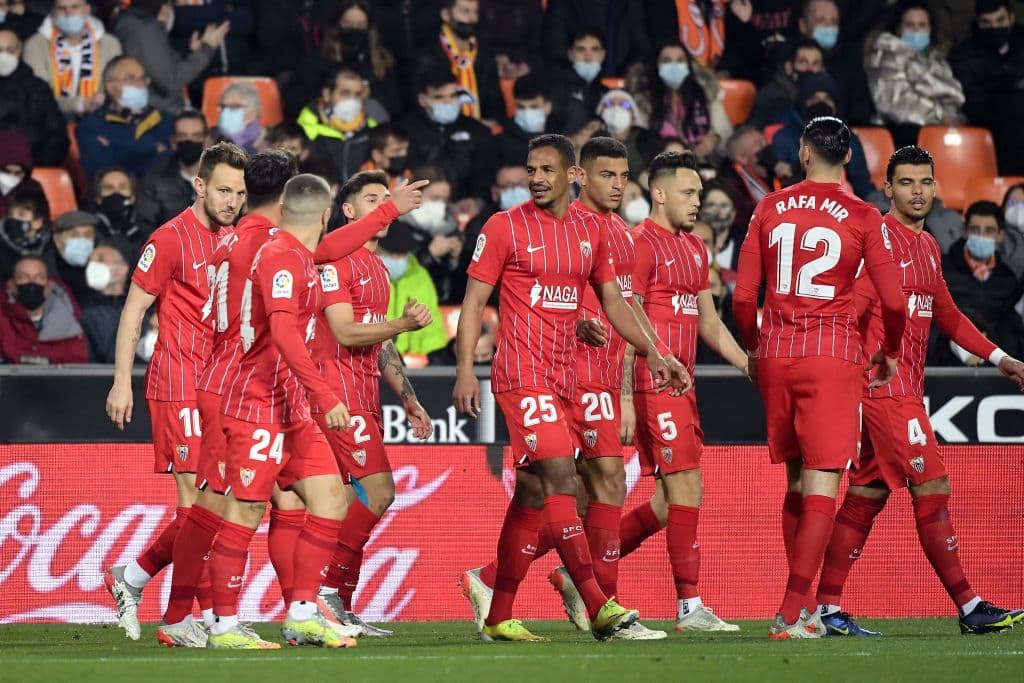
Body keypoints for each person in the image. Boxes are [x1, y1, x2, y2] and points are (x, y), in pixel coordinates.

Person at [452, 133, 686, 642]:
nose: (536, 178)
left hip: (565, 378)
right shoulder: (503, 226)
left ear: (569, 175)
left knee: (532, 494)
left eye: (546, 170)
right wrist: (465, 368)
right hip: (521, 374)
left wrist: (654, 352)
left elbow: (616, 303)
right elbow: (473, 303)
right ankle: (599, 606)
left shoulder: (591, 232)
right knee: (562, 479)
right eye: (531, 169)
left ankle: (498, 613)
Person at [813, 146, 1024, 637]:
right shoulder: (877, 241)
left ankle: (826, 608)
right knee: (932, 485)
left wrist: (1001, 359)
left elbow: (947, 314)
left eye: (925, 182)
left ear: (935, 188)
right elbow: (849, 309)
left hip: (903, 389)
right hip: (884, 391)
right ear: (888, 188)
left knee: (866, 495)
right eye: (906, 182)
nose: (917, 191)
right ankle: (969, 605)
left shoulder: (927, 246)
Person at [732, 116, 907, 638]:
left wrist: (754, 350)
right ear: (849, 156)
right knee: (822, 486)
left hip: (777, 355)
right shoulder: (864, 215)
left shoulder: (768, 207)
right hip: (831, 357)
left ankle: (805, 606)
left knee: (795, 481)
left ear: (804, 154)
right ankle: (792, 612)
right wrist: (890, 351)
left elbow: (743, 298)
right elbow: (894, 301)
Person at [204, 175, 359, 650]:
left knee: (331, 500)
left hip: (291, 405)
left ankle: (303, 614)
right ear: (326, 215)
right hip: (257, 402)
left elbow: (337, 246)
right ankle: (223, 625)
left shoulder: (301, 256)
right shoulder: (280, 257)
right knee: (247, 509)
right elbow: (285, 333)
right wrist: (325, 395)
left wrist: (390, 211)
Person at [595, 149, 746, 634]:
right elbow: (625, 321)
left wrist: (749, 366)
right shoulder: (639, 244)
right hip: (651, 384)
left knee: (665, 505)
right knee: (687, 487)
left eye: (699, 192)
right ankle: (689, 606)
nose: (697, 201)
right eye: (688, 192)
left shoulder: (696, 248)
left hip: (683, 387)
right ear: (658, 194)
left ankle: (581, 577)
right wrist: (623, 398)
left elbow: (710, 323)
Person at [101, 142, 248, 642]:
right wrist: (122, 381)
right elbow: (133, 310)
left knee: (213, 506)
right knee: (195, 504)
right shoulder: (169, 239)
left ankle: (134, 576)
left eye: (240, 193)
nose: (232, 202)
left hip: (220, 387)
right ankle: (194, 618)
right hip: (178, 381)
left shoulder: (236, 238)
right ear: (199, 186)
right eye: (224, 191)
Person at [314, 170, 435, 636]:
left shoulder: (378, 268)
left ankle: (340, 606)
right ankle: (325, 591)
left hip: (364, 394)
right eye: (373, 199)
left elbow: (379, 341)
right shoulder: (335, 260)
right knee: (380, 492)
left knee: (354, 505)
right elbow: (345, 332)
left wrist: (409, 398)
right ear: (348, 210)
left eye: (388, 198)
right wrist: (403, 324)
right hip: (336, 393)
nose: (385, 206)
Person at [865, 1, 965, 149]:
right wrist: (940, 116)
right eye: (910, 25)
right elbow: (894, 102)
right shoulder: (886, 53)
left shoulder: (937, 60)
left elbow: (955, 96)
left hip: (942, 133)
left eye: (922, 25)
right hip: (903, 135)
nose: (916, 30)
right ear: (899, 29)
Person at [771, 72, 874, 200]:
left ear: (835, 106)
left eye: (827, 99)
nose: (821, 104)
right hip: (801, 203)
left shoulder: (848, 138)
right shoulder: (785, 137)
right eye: (814, 99)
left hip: (845, 205)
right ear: (803, 103)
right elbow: (781, 178)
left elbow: (863, 186)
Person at [114, 0, 226, 116]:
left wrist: (191, 53)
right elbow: (171, 81)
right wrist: (206, 49)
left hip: (154, 111)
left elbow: (162, 65)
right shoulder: (143, 29)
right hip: (157, 114)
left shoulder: (135, 23)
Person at [941, 200, 1024, 357]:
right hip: (947, 361)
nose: (981, 236)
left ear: (1000, 236)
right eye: (974, 230)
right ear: (965, 232)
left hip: (994, 364)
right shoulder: (941, 273)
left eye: (989, 231)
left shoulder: (1009, 280)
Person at [950, 0, 1024, 174]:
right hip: (993, 128)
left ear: (1011, 19)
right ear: (977, 23)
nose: (994, 27)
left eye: (1000, 20)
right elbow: (975, 106)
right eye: (987, 22)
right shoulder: (963, 56)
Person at [75, 56, 173, 186]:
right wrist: (152, 148)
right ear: (111, 87)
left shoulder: (165, 120)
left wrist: (117, 151)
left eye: (143, 78)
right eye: (131, 79)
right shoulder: (91, 126)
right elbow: (100, 170)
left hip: (156, 193)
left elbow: (169, 164)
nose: (140, 84)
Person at [401, 67, 495, 200]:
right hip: (422, 203)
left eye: (453, 95)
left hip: (468, 204)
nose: (448, 102)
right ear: (423, 100)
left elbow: (485, 174)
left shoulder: (477, 130)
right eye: (439, 97)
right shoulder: (406, 131)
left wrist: (477, 201)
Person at [628, 41, 732, 161]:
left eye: (680, 60)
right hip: (659, 165)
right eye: (666, 61)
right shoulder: (644, 99)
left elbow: (726, 133)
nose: (674, 66)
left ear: (688, 66)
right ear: (656, 66)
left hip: (702, 164)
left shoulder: (705, 92)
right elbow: (638, 142)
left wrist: (714, 139)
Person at [22, 0, 121, 119]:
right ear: (53, 12)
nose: (68, 13)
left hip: (101, 117)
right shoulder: (35, 45)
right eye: (62, 8)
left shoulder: (109, 44)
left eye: (75, 7)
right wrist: (80, 104)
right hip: (49, 119)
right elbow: (38, 95)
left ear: (87, 9)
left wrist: (97, 102)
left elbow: (116, 86)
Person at [414, 0, 501, 122]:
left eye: (475, 12)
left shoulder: (485, 52)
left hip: (481, 125)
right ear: (445, 15)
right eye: (465, 11)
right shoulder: (426, 54)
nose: (472, 18)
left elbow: (495, 100)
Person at [375, 220, 447, 358]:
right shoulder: (364, 275)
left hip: (418, 362)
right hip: (374, 359)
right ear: (377, 249)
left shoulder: (420, 276)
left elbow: (432, 326)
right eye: (390, 253)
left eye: (402, 254)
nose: (396, 259)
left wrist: (432, 359)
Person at [796, 0, 873, 125]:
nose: (828, 27)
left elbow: (861, 108)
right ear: (803, 25)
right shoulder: (793, 58)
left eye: (833, 22)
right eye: (821, 20)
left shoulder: (850, 58)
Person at [0, 253, 87, 363]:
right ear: (12, 285)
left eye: (39, 278)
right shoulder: (2, 319)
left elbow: (77, 363)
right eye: (23, 277)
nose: (32, 283)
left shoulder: (69, 323)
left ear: (49, 286)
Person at [0, 28, 69, 166]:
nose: (4, 56)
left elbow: (57, 135)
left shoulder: (38, 88)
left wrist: (33, 166)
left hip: (31, 166)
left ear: (19, 51)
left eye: (10, 50)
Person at [298, 66, 379, 182]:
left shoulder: (372, 130)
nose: (352, 100)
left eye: (357, 94)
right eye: (345, 93)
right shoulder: (304, 129)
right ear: (327, 94)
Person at [136, 110, 207, 234]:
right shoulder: (154, 179)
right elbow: (146, 227)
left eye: (196, 136)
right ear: (173, 140)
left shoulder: (223, 177)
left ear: (205, 140)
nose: (189, 141)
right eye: (182, 136)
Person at [542, 0, 649, 77]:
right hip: (570, 81)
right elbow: (554, 46)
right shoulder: (562, 3)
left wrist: (627, 76)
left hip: (621, 81)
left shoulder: (631, 3)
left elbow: (641, 45)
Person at [718, 126, 792, 228]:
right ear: (742, 158)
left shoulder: (781, 162)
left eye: (764, 140)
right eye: (758, 144)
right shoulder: (733, 187)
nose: (765, 145)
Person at [748, 38, 825, 130]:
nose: (810, 68)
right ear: (789, 67)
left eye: (815, 64)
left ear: (823, 69)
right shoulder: (773, 97)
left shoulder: (828, 97)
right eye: (803, 62)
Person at [548, 28, 609, 135]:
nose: (588, 57)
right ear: (570, 54)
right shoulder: (555, 87)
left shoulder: (607, 93)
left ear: (603, 55)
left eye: (594, 50)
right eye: (581, 50)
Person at [79, 241, 130, 362]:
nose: (93, 265)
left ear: (122, 269)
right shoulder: (80, 309)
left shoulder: (144, 307)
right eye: (90, 261)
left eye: (100, 259)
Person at [496, 73, 556, 167]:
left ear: (548, 107)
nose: (527, 113)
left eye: (534, 107)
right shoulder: (501, 145)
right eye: (521, 107)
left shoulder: (561, 137)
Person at [477, 0, 544, 79]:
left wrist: (528, 65)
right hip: (486, 63)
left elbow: (538, 44)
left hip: (522, 65)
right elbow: (475, 37)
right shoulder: (482, 4)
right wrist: (492, 62)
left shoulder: (532, 4)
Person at [0, 184, 52, 282]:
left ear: (37, 222)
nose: (13, 219)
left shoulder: (49, 245)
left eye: (21, 215)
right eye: (11, 214)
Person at [92, 166, 147, 257]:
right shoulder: (89, 231)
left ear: (133, 197)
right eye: (109, 188)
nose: (116, 192)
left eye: (122, 187)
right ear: (98, 199)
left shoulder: (147, 230)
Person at [51, 209, 98, 303]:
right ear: (57, 240)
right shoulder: (48, 271)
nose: (82, 240)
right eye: (74, 235)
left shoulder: (100, 266)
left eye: (88, 235)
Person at [0, 130, 45, 219]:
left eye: (18, 172)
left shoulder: (33, 187)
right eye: (5, 171)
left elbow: (40, 217)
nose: (12, 176)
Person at [214, 82, 267, 154]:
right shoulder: (211, 138)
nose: (226, 112)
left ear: (254, 112)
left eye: (235, 106)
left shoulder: (270, 143)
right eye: (223, 106)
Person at [359, 123, 411, 189]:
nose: (404, 155)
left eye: (406, 149)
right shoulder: (364, 185)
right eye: (397, 150)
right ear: (377, 155)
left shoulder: (405, 173)